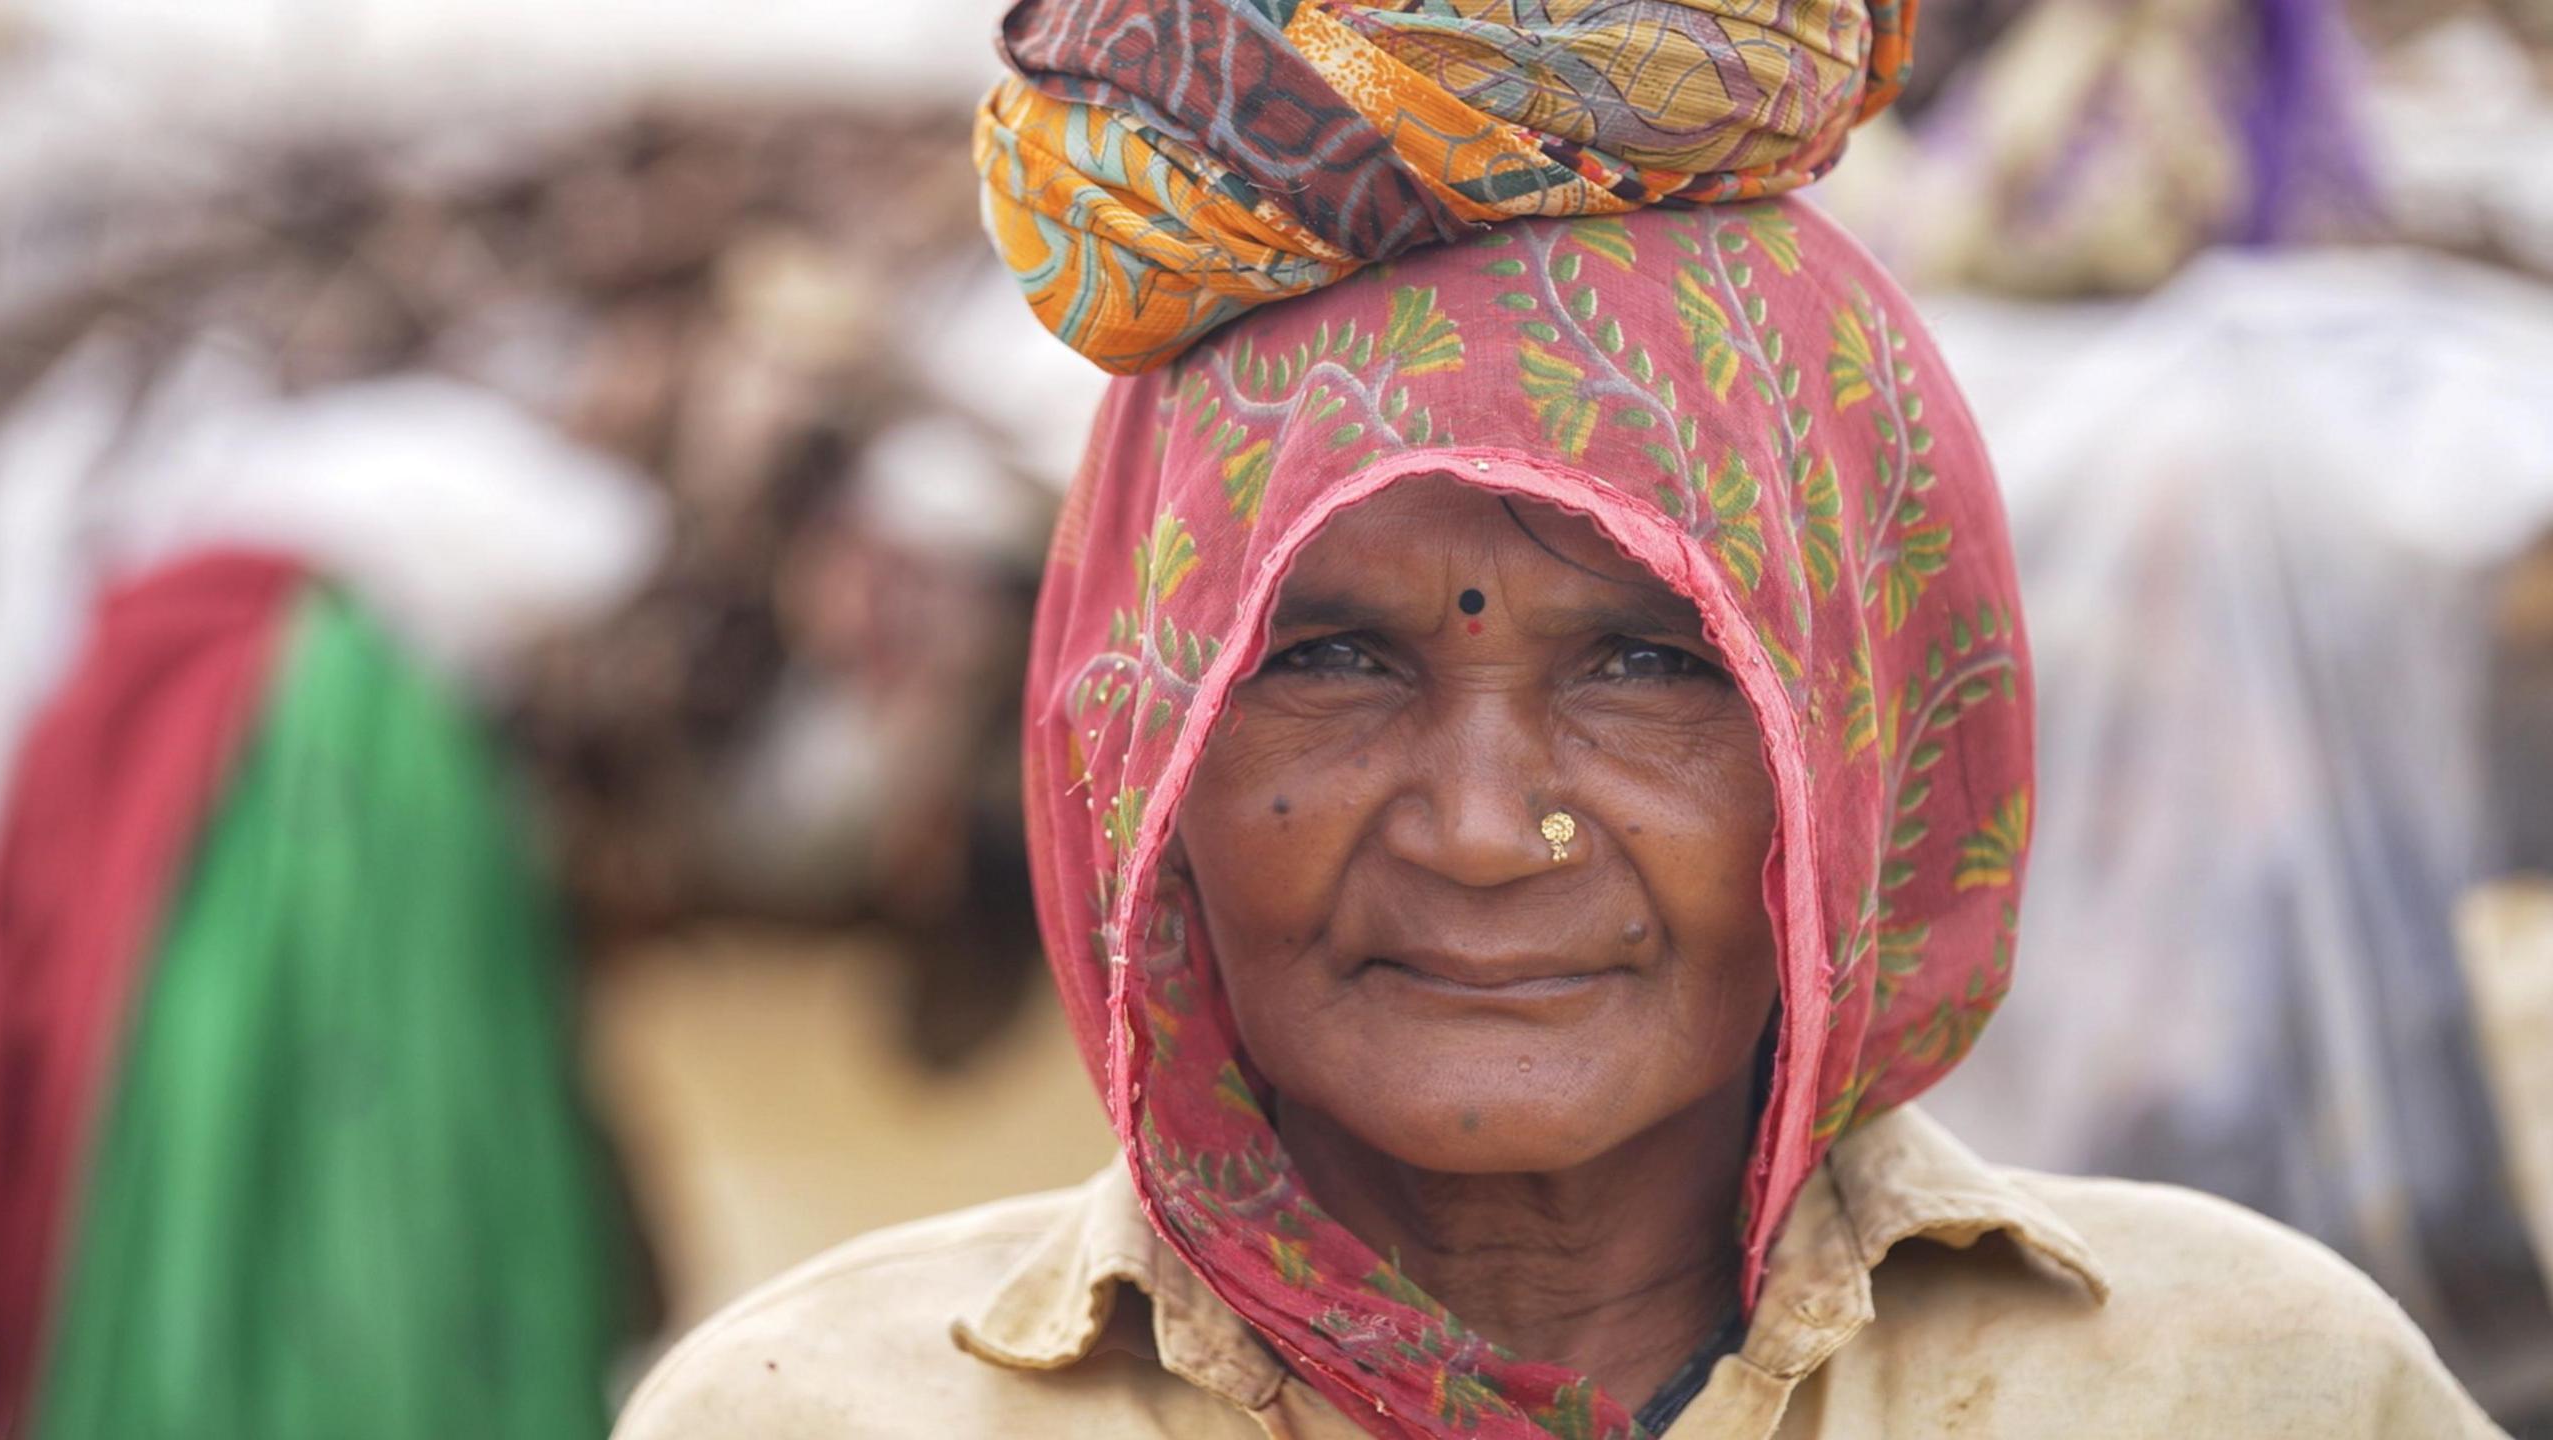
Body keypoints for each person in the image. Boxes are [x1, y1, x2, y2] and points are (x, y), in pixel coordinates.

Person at [610, 190, 2504, 1436]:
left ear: (1851, 752)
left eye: (1651, 667)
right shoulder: (806, 1414)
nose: (1482, 828)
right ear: (1140, 753)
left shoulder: (2249, 1389)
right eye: (1332, 659)